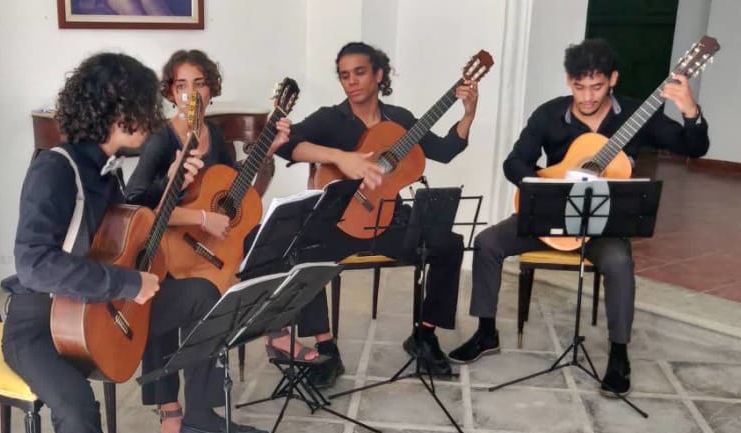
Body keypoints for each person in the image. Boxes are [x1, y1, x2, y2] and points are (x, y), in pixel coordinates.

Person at [0, 52, 257, 433]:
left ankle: (199, 415)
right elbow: (35, 264)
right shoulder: (54, 169)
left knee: (204, 293)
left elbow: (130, 224)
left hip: (97, 308)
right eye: (144, 105)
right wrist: (126, 283)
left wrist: (172, 185)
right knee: (77, 407)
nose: (154, 117)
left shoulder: (106, 166)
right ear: (116, 110)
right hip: (39, 323)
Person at [450, 38, 710, 397]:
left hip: (602, 225)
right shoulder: (549, 114)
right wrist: (548, 185)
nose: (587, 97)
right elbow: (515, 162)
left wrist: (690, 111)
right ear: (568, 81)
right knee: (487, 242)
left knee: (619, 261)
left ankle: (619, 354)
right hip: (550, 218)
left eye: (597, 87)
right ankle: (485, 332)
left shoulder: (637, 114)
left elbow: (695, 148)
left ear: (613, 79)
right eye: (579, 86)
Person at [269, 41, 479, 387]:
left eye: (360, 72)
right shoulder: (331, 118)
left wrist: (467, 114)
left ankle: (424, 335)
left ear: (379, 75)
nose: (352, 81)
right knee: (302, 254)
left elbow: (444, 151)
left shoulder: (400, 120)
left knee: (449, 244)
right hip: (340, 223)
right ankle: (326, 348)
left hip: (386, 219)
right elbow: (287, 145)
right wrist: (340, 157)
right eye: (344, 75)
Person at [124, 49, 280, 433]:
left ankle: (202, 411)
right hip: (163, 250)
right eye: (181, 85)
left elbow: (232, 189)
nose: (191, 93)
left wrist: (264, 153)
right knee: (167, 291)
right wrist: (199, 216)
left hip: (203, 249)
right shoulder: (161, 139)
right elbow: (134, 206)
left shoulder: (215, 135)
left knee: (218, 297)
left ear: (211, 89)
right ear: (170, 93)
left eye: (199, 84)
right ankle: (169, 408)